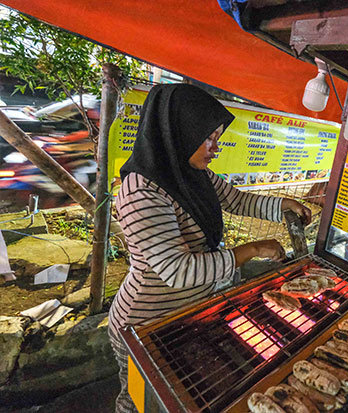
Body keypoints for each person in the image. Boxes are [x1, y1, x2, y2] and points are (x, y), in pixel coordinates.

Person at [107, 84, 311, 413]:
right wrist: (254, 249)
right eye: (209, 138)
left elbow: (236, 199)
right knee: (138, 400)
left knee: (175, 397)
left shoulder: (190, 172)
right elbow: (178, 270)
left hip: (182, 314)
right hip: (143, 323)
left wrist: (283, 203)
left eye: (217, 137)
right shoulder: (139, 191)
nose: (215, 147)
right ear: (180, 131)